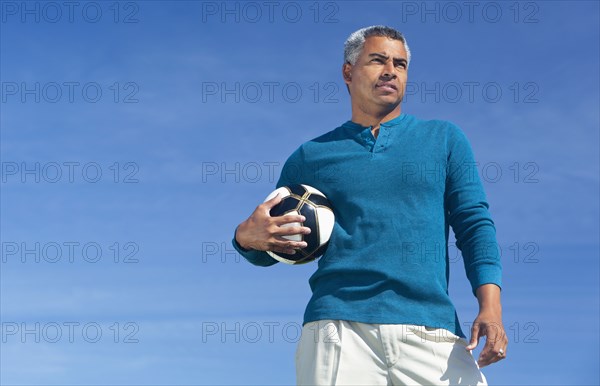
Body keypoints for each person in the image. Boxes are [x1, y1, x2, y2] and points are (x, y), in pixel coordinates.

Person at [232, 25, 507, 386]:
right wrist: (246, 239)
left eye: (401, 64)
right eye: (378, 60)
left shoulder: (444, 139)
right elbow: (278, 244)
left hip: (431, 327)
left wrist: (491, 307)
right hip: (337, 329)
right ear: (348, 71)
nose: (391, 70)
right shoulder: (309, 157)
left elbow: (474, 225)